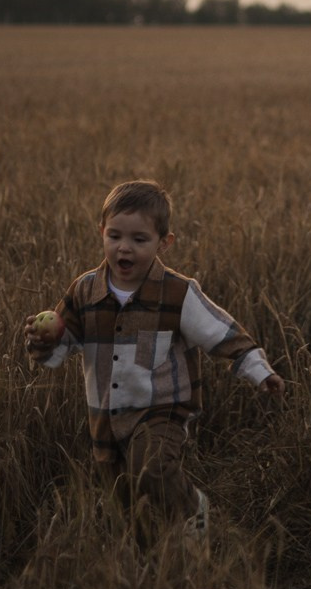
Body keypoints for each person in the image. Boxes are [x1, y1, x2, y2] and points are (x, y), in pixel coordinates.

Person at [24, 179, 284, 558]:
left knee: (151, 469)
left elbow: (223, 334)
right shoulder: (84, 291)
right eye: (114, 235)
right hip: (106, 417)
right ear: (102, 233)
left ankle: (193, 511)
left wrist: (259, 371)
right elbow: (60, 347)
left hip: (162, 409)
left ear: (164, 243)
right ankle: (155, 562)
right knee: (129, 508)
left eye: (139, 239)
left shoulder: (178, 293)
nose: (124, 247)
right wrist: (41, 341)